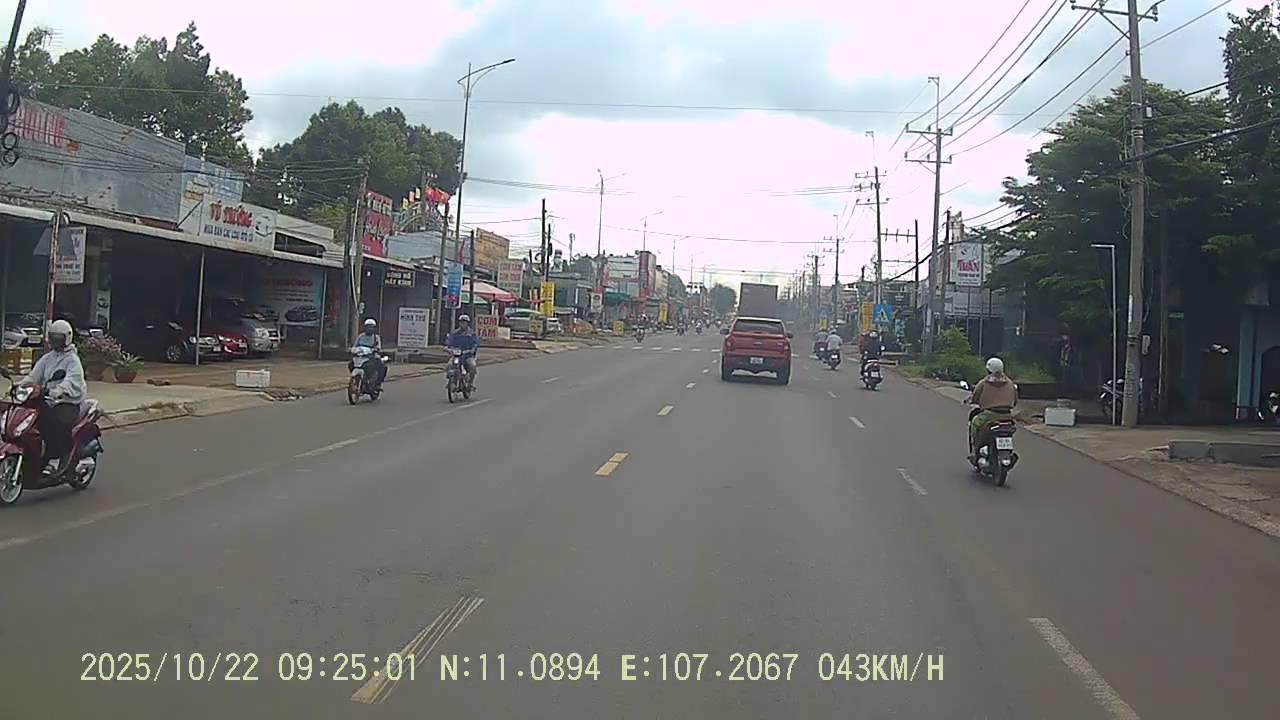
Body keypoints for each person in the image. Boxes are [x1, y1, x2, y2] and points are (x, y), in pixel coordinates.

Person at [20, 319, 86, 475]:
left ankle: (55, 458)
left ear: (67, 338)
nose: (55, 342)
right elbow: (33, 377)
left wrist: (58, 391)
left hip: (67, 402)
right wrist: (19, 386)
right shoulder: (48, 358)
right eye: (53, 338)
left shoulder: (72, 360)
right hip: (48, 399)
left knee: (54, 422)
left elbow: (72, 381)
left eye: (58, 338)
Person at [968, 357, 1018, 453]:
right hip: (1007, 416)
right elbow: (1015, 400)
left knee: (974, 423)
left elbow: (975, 397)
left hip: (989, 415)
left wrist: (974, 401)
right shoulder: (1010, 383)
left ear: (988, 370)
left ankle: (975, 449)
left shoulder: (984, 383)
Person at [446, 314, 480, 385]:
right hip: (456, 355)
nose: (463, 323)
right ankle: (451, 381)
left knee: (473, 366)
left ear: (467, 323)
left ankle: (470, 383)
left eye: (464, 322)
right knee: (449, 365)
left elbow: (476, 343)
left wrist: (473, 349)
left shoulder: (471, 333)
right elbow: (450, 342)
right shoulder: (455, 333)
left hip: (467, 356)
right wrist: (448, 348)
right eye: (461, 322)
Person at [353, 318, 386, 388]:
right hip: (361, 356)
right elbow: (355, 345)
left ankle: (376, 383)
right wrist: (354, 350)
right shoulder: (360, 336)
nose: (369, 329)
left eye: (371, 327)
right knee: (351, 364)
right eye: (368, 327)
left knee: (380, 365)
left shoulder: (376, 337)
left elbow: (378, 347)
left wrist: (375, 350)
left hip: (371, 356)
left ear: (374, 328)